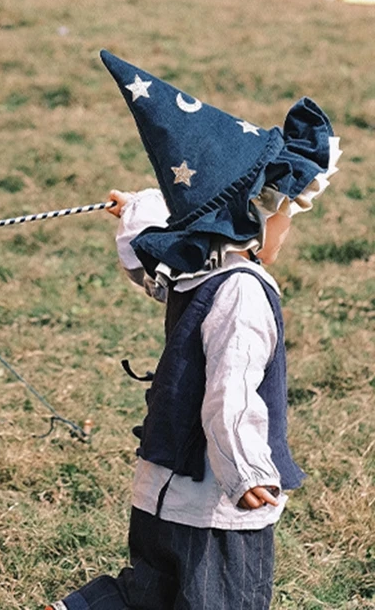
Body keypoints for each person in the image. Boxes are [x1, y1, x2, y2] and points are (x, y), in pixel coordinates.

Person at [46, 50, 341, 610]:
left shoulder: (190, 272)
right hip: (217, 506)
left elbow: (156, 245)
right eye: (284, 214)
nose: (285, 233)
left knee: (150, 593)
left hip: (159, 490)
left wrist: (136, 211)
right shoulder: (243, 292)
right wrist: (248, 471)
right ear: (251, 219)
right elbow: (229, 393)